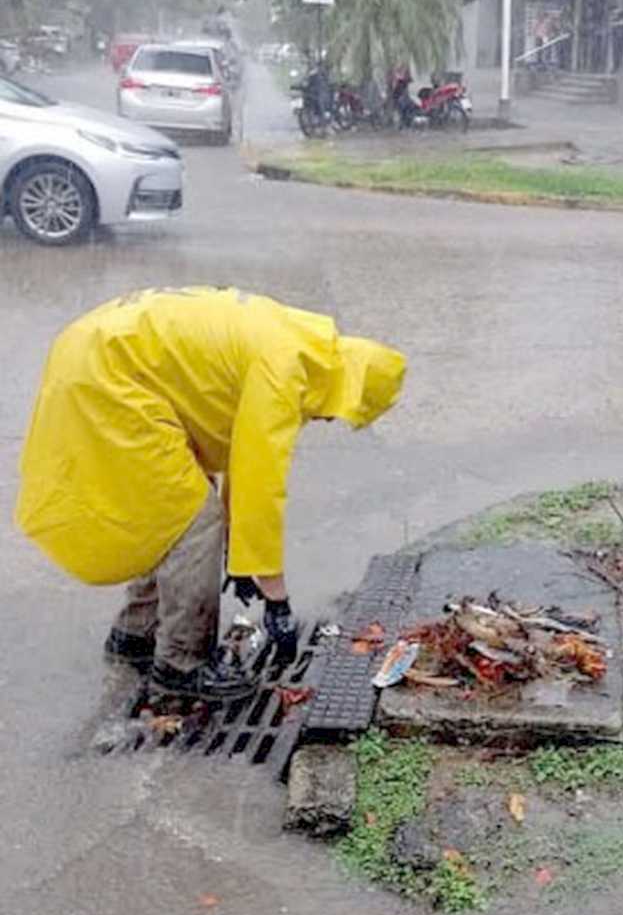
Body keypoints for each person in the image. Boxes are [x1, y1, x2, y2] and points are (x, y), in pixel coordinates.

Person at [15, 287, 406, 704]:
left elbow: (239, 456)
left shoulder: (300, 342)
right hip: (108, 375)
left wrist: (241, 561)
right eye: (339, 411)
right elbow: (261, 486)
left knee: (170, 507)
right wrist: (277, 602)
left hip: (99, 353)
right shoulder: (284, 372)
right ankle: (180, 665)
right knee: (195, 522)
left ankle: (135, 633)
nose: (329, 418)